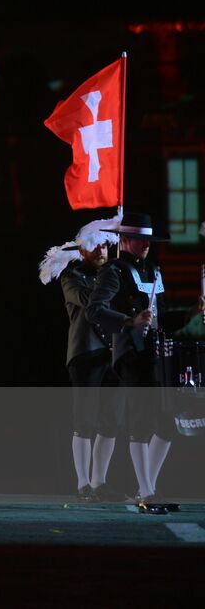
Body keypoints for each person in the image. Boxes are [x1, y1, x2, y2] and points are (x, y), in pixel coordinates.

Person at [85, 212, 180, 515]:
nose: (146, 245)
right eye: (139, 240)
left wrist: (191, 312)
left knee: (167, 423)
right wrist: (129, 320)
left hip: (158, 355)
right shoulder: (114, 271)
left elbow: (163, 316)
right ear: (125, 240)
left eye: (148, 241)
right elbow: (94, 310)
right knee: (141, 422)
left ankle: (148, 486)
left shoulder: (153, 270)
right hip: (130, 354)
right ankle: (147, 492)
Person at [40, 216, 125, 502]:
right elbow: (90, 301)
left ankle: (100, 482)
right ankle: (83, 483)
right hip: (86, 354)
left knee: (110, 421)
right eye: (95, 246)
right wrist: (114, 281)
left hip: (113, 353)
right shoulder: (72, 276)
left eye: (105, 245)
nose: (101, 250)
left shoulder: (115, 274)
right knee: (85, 422)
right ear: (83, 250)